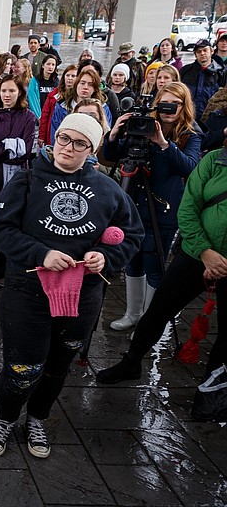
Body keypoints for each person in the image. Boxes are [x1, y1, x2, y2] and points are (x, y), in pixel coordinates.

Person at [0, 113, 142, 459]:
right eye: (63, 139)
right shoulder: (25, 181)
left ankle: (37, 417)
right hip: (28, 294)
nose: (68, 148)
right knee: (22, 367)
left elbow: (131, 234)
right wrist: (42, 252)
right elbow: (1, 230)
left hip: (82, 297)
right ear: (54, 139)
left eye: (79, 143)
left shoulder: (107, 188)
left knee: (58, 366)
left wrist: (106, 257)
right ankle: (6, 418)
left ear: (92, 149)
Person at [96, 143, 227, 406]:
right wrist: (205, 251)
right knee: (158, 311)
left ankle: (212, 391)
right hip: (195, 254)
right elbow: (188, 207)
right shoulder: (214, 161)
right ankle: (131, 361)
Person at [103, 82, 202, 331]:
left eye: (175, 104)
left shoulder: (190, 135)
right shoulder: (141, 126)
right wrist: (114, 134)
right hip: (134, 205)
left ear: (183, 107)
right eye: (164, 103)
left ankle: (151, 319)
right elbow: (114, 154)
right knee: (133, 262)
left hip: (163, 211)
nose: (168, 109)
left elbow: (191, 167)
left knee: (154, 265)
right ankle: (132, 314)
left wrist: (163, 144)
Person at [0, 74, 36, 258]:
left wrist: (0, 144)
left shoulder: (28, 117)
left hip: (17, 180)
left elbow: (25, 151)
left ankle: (5, 263)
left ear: (20, 93)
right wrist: (11, 146)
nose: (7, 95)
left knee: (12, 221)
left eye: (11, 90)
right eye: (3, 90)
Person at [49, 68, 112, 144]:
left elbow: (104, 134)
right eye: (82, 83)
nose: (85, 87)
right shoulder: (62, 106)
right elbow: (55, 132)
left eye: (90, 84)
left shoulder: (102, 108)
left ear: (95, 89)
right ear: (76, 85)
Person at [180, 39, 224, 124]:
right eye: (199, 51)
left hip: (211, 121)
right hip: (187, 119)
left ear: (211, 51)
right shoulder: (185, 71)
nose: (202, 53)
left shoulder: (221, 72)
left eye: (205, 50)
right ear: (195, 55)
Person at [38, 64, 77, 147]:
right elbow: (45, 115)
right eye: (67, 75)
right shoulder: (53, 94)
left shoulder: (79, 96)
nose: (70, 78)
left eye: (73, 76)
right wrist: (41, 136)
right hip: (52, 132)